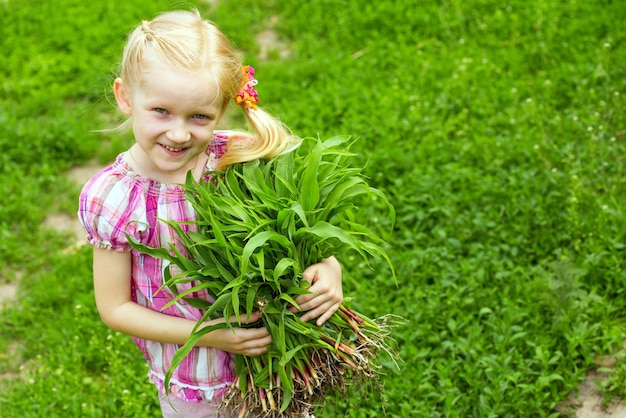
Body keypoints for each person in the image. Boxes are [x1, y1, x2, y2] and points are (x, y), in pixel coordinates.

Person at [77, 9, 343, 418]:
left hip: (277, 358)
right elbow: (114, 308)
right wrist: (212, 335)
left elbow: (293, 234)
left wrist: (328, 266)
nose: (179, 133)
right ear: (125, 96)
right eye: (161, 111)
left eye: (199, 117)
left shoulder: (237, 159)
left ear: (221, 112)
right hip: (194, 379)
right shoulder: (113, 198)